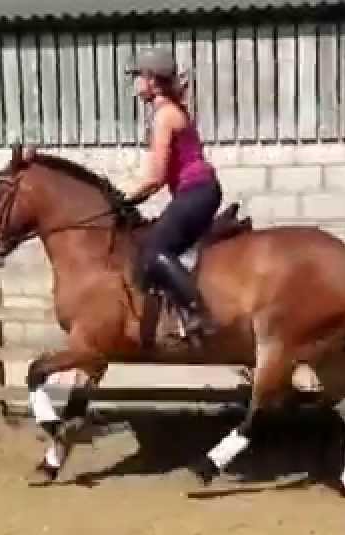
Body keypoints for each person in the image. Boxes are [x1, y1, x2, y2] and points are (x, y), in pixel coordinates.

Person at [121, 47, 223, 342]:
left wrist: (124, 199)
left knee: (153, 252)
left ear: (152, 79)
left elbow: (155, 178)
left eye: (138, 76)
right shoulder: (168, 111)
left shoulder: (164, 116)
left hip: (196, 191)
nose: (135, 83)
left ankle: (197, 312)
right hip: (197, 191)